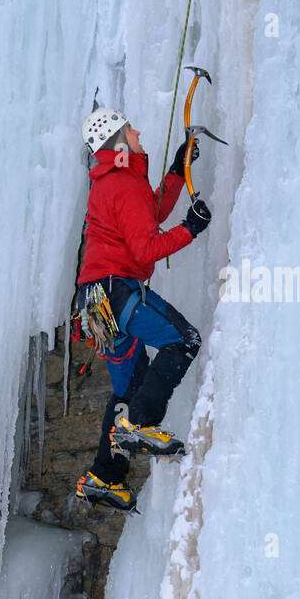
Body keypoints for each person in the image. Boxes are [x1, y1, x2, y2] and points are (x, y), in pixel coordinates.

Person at [74, 107, 211, 510]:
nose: (138, 132)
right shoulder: (123, 182)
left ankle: (104, 477)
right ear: (118, 139)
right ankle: (140, 422)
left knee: (126, 388)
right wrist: (191, 228)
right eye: (130, 129)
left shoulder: (112, 180)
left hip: (95, 304)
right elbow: (147, 247)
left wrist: (173, 172)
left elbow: (148, 215)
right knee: (184, 340)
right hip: (117, 292)